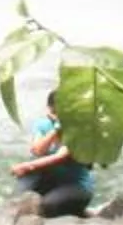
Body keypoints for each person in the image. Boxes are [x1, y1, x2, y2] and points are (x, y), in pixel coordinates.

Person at [12, 89, 94, 217]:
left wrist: (26, 166)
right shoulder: (42, 125)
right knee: (20, 200)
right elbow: (38, 150)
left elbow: (61, 157)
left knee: (49, 206)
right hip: (49, 181)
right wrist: (55, 130)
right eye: (55, 110)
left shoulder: (79, 130)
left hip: (76, 185)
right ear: (50, 109)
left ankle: (77, 214)